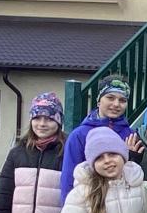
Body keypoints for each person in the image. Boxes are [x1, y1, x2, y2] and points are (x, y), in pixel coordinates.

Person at [58, 75, 135, 206]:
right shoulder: (79, 135)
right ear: (99, 101)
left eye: (122, 100)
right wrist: (68, 209)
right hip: (90, 206)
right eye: (110, 98)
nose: (116, 104)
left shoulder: (131, 135)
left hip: (123, 208)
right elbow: (68, 178)